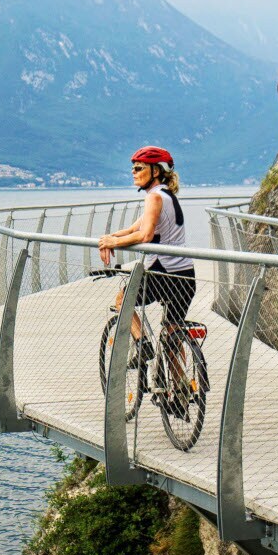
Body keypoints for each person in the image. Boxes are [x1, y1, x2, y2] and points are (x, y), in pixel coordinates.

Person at [98, 146, 196, 409]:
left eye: (139, 168)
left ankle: (142, 344)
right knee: (173, 334)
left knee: (122, 301)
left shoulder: (153, 198)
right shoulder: (165, 195)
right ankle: (182, 391)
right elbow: (133, 228)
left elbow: (144, 236)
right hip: (185, 274)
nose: (133, 172)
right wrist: (110, 239)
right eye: (133, 168)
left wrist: (112, 243)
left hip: (163, 271)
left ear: (156, 171)